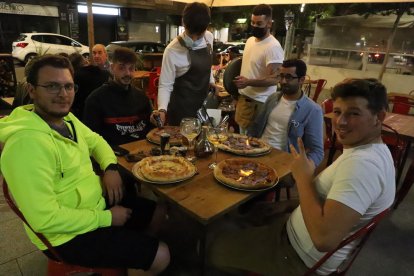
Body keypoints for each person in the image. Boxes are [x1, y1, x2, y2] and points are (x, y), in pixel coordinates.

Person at [0, 55, 170, 275]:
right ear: (32, 90)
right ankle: (143, 255)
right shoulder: (25, 145)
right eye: (52, 86)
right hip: (65, 235)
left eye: (68, 86)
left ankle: (134, 252)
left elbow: (96, 141)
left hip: (93, 203)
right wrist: (107, 218)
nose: (63, 94)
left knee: (158, 211)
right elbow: (45, 220)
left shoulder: (66, 119)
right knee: (163, 254)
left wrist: (110, 167)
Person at [210, 78, 395, 275]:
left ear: (379, 117)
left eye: (354, 113)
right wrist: (289, 205)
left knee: (211, 245)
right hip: (292, 231)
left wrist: (303, 178)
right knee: (236, 221)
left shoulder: (362, 166)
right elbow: (330, 203)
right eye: (338, 112)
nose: (340, 122)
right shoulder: (372, 153)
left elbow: (324, 239)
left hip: (295, 258)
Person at [248, 59, 324, 167]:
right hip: (258, 151)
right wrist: (248, 143)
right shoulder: (273, 98)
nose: (283, 81)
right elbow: (256, 127)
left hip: (282, 160)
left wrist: (303, 169)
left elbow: (317, 151)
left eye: (289, 77)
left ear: (301, 80)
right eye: (281, 76)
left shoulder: (312, 110)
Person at [154, 2, 217, 126]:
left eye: (199, 35)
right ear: (183, 22)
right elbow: (165, 85)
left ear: (206, 28)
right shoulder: (172, 50)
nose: (194, 39)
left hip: (203, 106)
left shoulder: (208, 38)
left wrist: (211, 81)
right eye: (190, 34)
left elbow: (207, 67)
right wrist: (162, 109)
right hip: (181, 110)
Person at [83, 47, 153, 146]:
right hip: (111, 156)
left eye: (131, 68)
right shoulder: (96, 99)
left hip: (143, 155)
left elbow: (151, 130)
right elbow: (90, 139)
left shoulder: (142, 97)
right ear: (112, 68)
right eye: (122, 68)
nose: (128, 73)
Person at [234, 4, 284, 134]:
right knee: (241, 142)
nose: (255, 26)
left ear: (269, 24)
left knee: (252, 144)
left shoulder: (273, 47)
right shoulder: (250, 40)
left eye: (259, 23)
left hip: (260, 104)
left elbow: (274, 79)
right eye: (253, 22)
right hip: (245, 101)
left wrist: (248, 82)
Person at [69, 52, 110, 119]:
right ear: (85, 61)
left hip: (81, 115)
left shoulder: (73, 77)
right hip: (105, 113)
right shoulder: (105, 74)